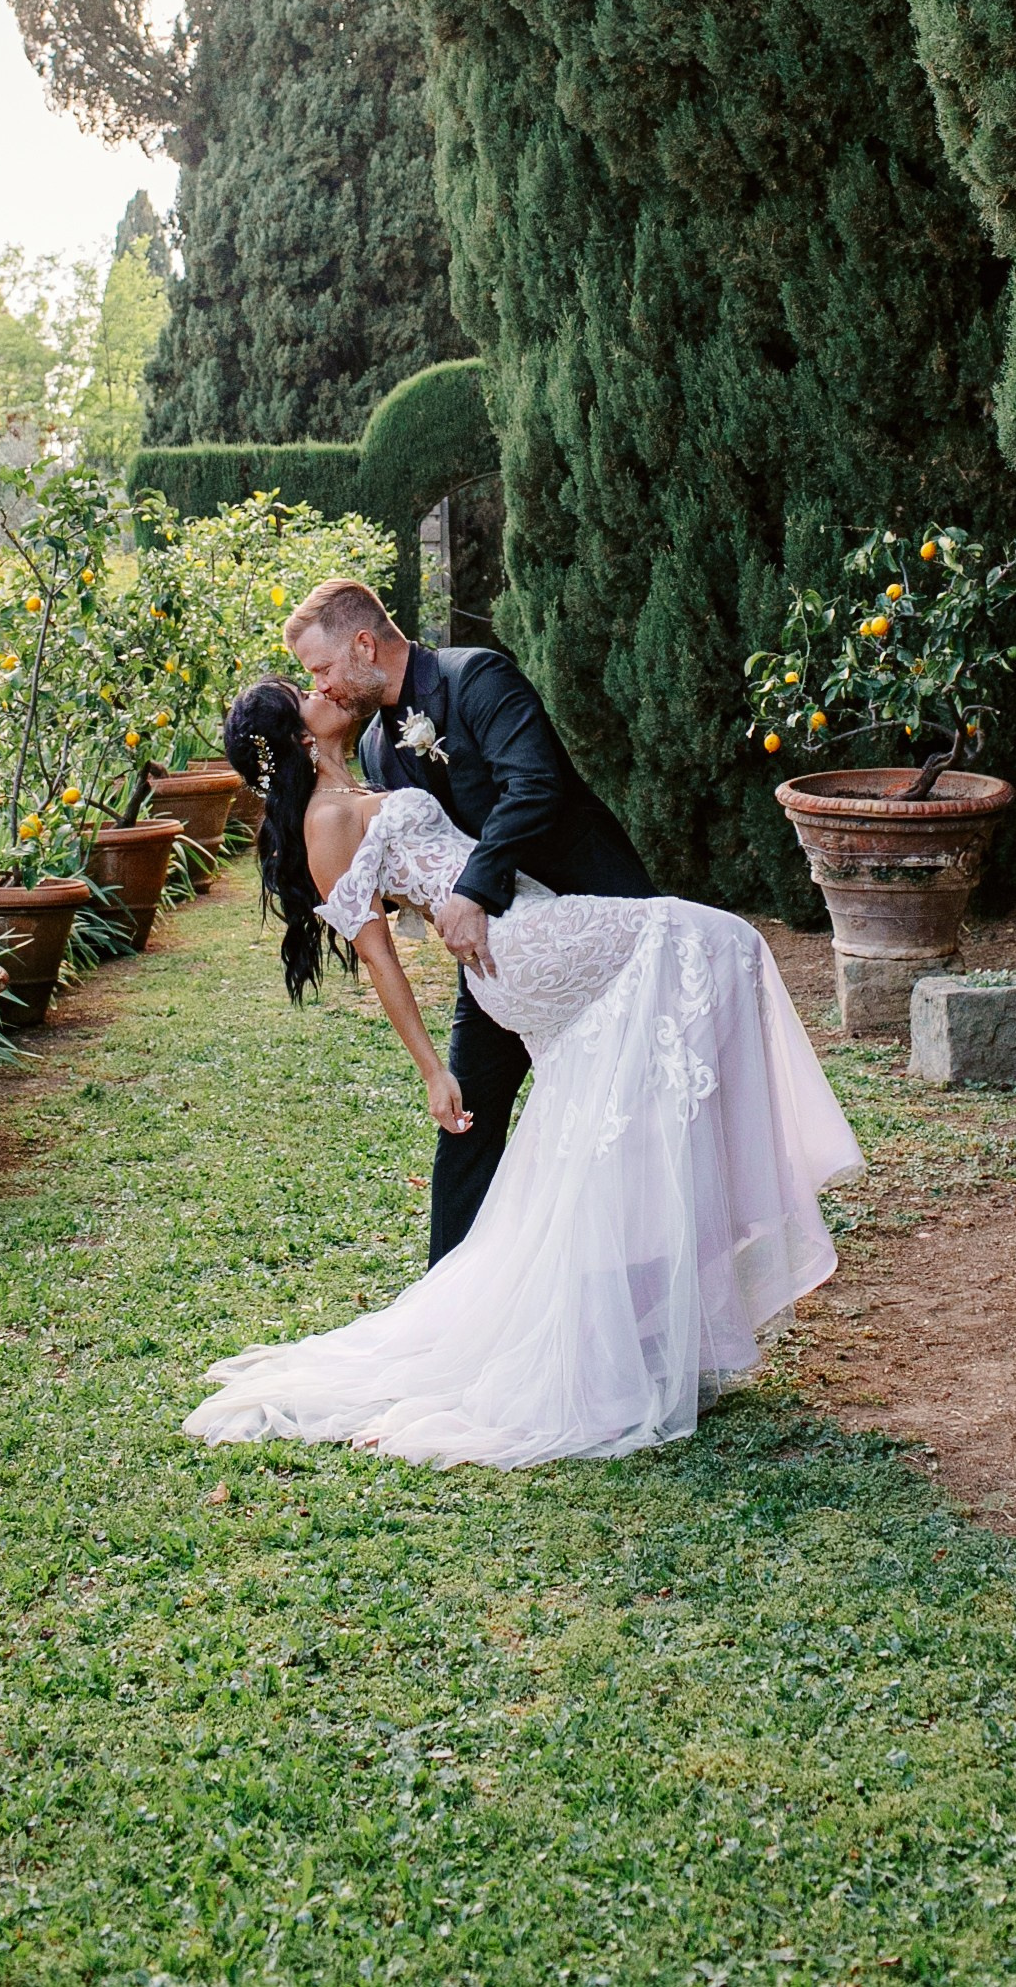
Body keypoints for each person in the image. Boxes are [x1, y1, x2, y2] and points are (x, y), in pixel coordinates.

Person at [183, 674, 860, 1467]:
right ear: (298, 736)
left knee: (621, 1084)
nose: (318, 687)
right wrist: (433, 1072)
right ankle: (748, 1182)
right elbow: (380, 959)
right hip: (514, 947)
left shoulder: (368, 772)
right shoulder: (324, 820)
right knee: (713, 940)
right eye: (302, 690)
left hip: (523, 919)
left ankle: (628, 1300)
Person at [282, 576, 655, 1261]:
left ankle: (641, 1283)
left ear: (364, 643)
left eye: (323, 669)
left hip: (591, 913)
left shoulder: (477, 676)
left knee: (626, 1104)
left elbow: (534, 783)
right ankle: (445, 1302)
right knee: (467, 1122)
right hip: (495, 958)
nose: (323, 687)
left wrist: (474, 892)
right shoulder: (376, 750)